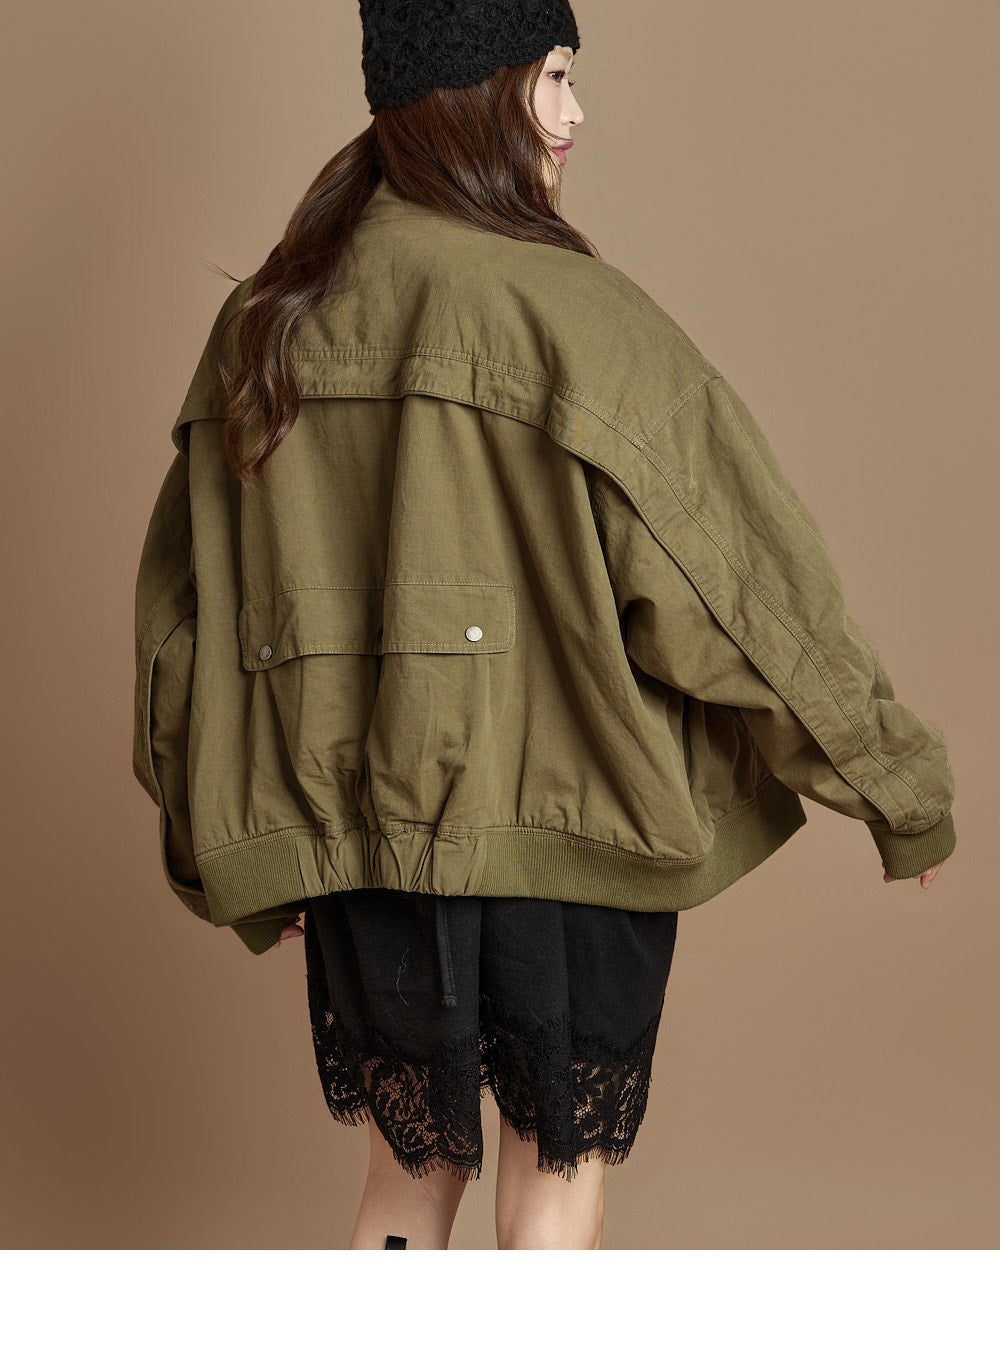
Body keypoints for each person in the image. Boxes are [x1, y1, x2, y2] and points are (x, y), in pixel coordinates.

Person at [132, 0, 956, 1251]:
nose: (574, 113)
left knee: (403, 1186)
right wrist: (895, 785)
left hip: (358, 845)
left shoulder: (265, 320)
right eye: (554, 75)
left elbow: (182, 623)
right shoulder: (573, 314)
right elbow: (739, 590)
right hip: (566, 838)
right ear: (473, 88)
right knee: (553, 1191)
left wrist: (238, 845)